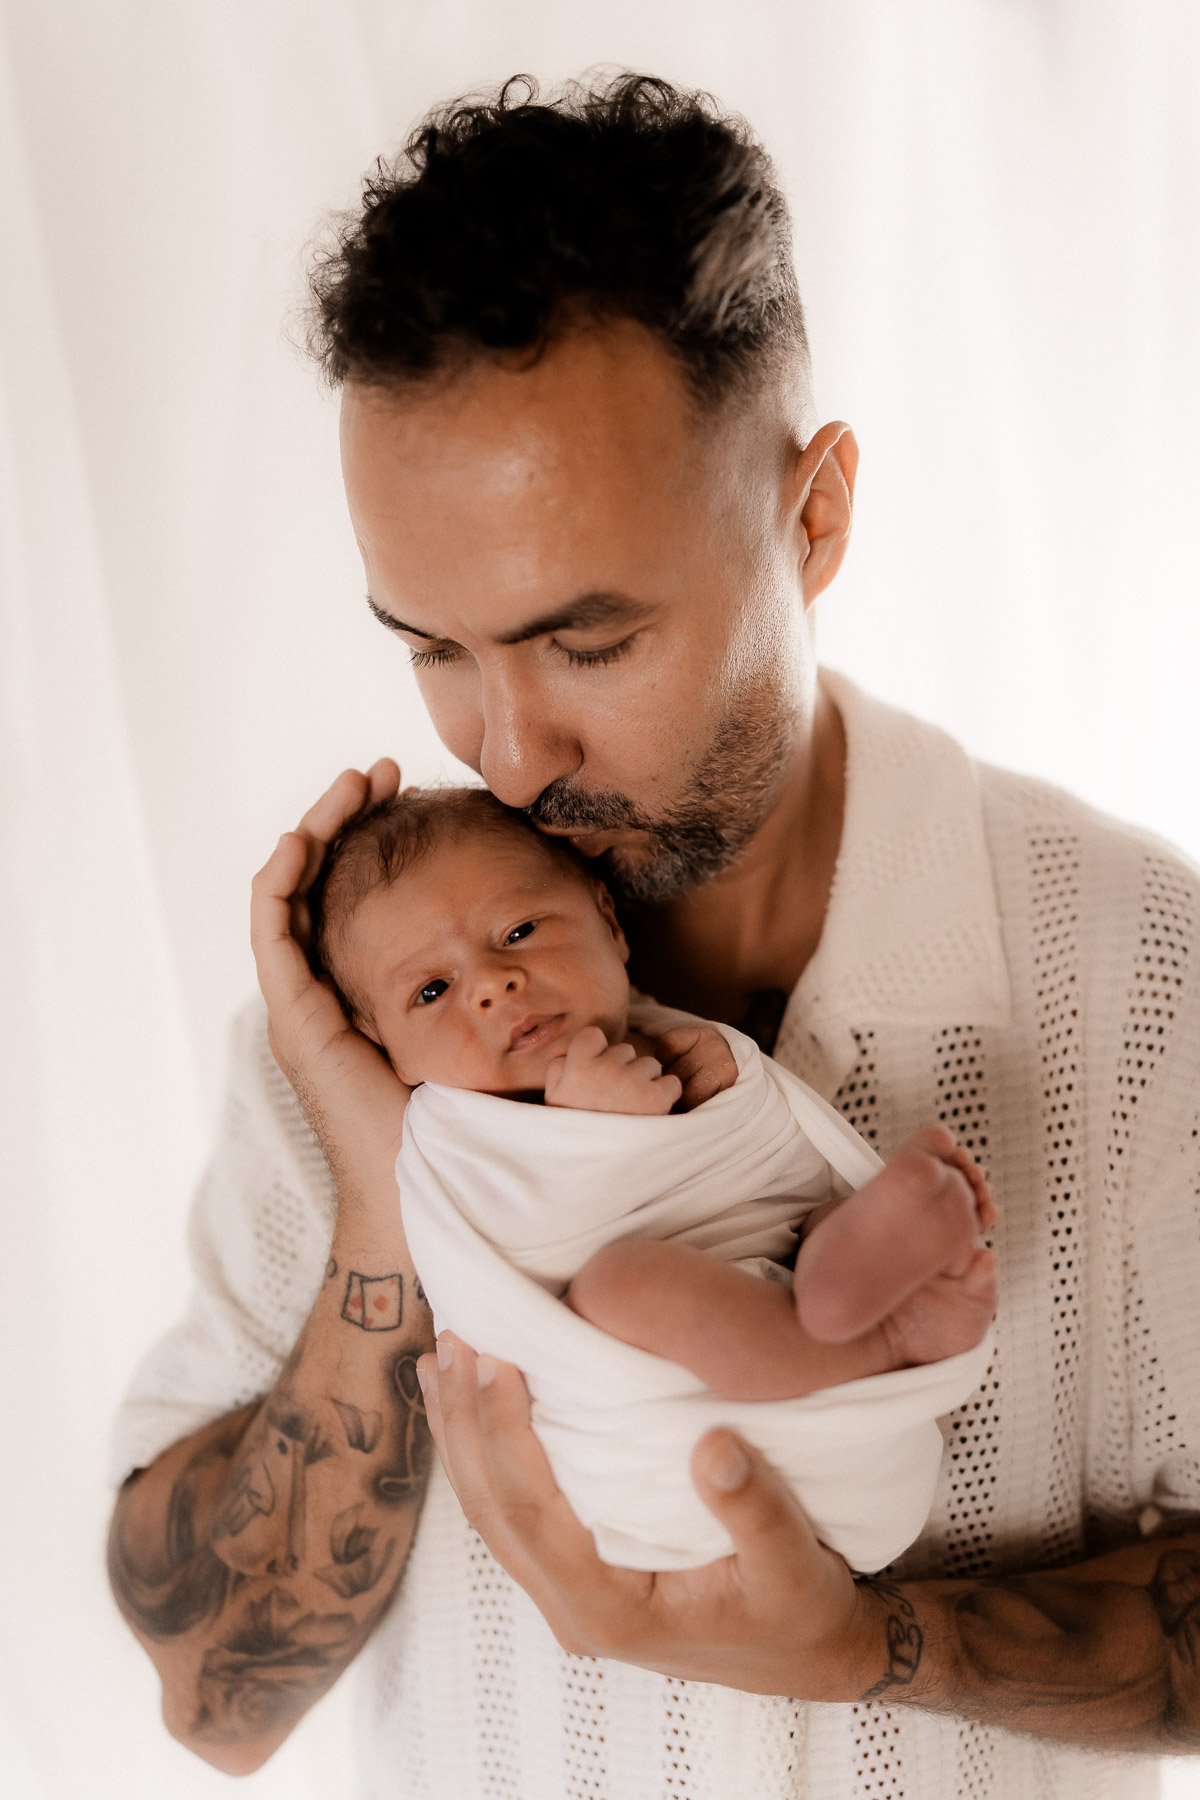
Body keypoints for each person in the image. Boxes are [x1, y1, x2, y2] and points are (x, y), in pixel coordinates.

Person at [107, 72, 1200, 1800]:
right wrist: (394, 1193)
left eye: (587, 644)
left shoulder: (1142, 977)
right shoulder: (366, 1006)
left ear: (813, 518)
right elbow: (214, 1701)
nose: (505, 754)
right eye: (433, 647)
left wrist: (872, 1650)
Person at [308, 782, 994, 1574]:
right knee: (619, 1286)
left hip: (824, 1394)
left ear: (609, 922)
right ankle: (885, 1339)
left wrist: (728, 1086)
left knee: (815, 1221)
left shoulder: (668, 1036)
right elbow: (509, 1269)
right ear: (383, 1045)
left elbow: (771, 1162)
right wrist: (591, 1134)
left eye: (520, 931)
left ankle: (870, 1292)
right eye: (432, 990)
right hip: (679, 1461)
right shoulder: (448, 1137)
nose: (493, 983)